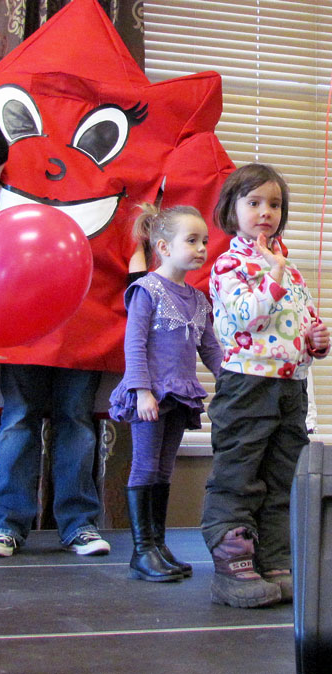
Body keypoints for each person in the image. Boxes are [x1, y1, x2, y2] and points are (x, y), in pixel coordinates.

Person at [0, 117, 111, 558]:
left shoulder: (103, 165)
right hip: (21, 316)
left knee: (77, 423)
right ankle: (8, 523)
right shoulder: (20, 154)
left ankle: (79, 522)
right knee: (19, 419)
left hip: (85, 319)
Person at [201, 163, 330, 608]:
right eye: (253, 203)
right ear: (230, 210)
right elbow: (242, 316)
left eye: (274, 204)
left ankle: (276, 559)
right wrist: (272, 278)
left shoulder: (286, 267)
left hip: (289, 389)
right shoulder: (230, 263)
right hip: (247, 387)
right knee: (239, 474)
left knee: (282, 476)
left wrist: (315, 339)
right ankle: (232, 563)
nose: (265, 212)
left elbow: (301, 321)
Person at [109, 203, 222, 582]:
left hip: (180, 394)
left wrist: (233, 380)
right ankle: (141, 551)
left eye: (204, 240)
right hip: (151, 395)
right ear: (163, 246)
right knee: (145, 465)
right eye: (191, 240)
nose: (202, 247)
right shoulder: (147, 290)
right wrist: (141, 391)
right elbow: (135, 344)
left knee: (163, 468)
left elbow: (211, 349)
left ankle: (157, 545)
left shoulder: (199, 299)